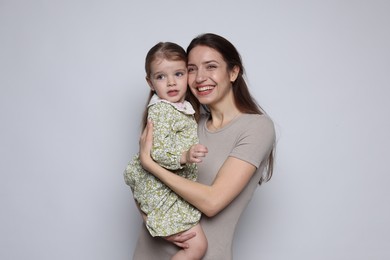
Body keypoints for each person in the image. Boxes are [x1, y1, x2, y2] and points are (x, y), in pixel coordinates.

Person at [133, 33, 276, 260]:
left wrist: (151, 164)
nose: (200, 77)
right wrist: (152, 220)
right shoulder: (185, 122)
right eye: (191, 69)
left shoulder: (257, 127)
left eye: (210, 67)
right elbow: (140, 179)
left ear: (233, 72)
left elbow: (211, 202)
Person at [124, 42, 208, 260]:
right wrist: (184, 156)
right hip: (162, 190)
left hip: (167, 187)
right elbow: (155, 151)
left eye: (178, 74)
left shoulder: (179, 108)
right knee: (197, 246)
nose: (171, 82)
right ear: (150, 82)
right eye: (161, 77)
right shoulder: (161, 110)